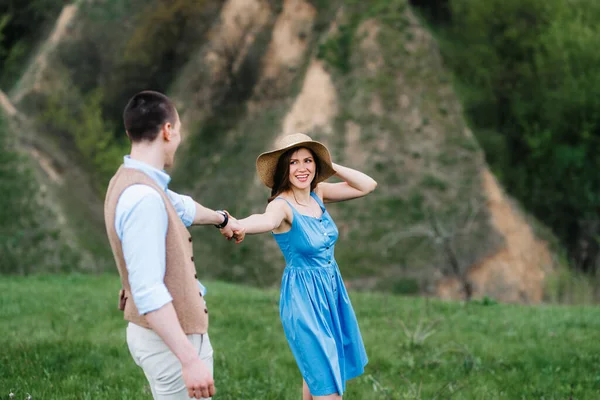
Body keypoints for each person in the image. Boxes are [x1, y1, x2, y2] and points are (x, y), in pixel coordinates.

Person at [103, 90, 245, 400]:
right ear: (168, 130)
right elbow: (148, 290)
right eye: (178, 131)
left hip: (158, 337)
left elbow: (181, 206)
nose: (178, 139)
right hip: (169, 341)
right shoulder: (144, 199)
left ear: (130, 132)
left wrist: (222, 219)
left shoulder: (132, 180)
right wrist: (190, 360)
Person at [225, 133, 377, 399]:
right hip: (304, 301)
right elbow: (265, 220)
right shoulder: (282, 205)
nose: (302, 168)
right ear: (284, 168)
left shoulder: (318, 193)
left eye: (308, 161)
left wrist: (329, 164)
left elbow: (367, 185)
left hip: (331, 294)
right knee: (328, 388)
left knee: (317, 378)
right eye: (294, 162)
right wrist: (239, 225)